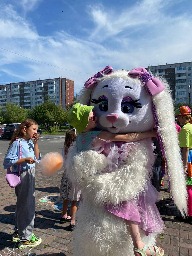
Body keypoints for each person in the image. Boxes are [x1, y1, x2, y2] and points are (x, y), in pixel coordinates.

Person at [67, 103, 164, 256]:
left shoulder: (80, 138)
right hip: (107, 183)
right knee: (129, 205)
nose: (96, 116)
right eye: (91, 116)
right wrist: (150, 134)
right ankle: (138, 245)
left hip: (93, 187)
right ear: (85, 121)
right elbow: (126, 137)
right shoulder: (98, 135)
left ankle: (138, 245)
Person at [3, 119, 42, 249]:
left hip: (30, 174)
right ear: (25, 129)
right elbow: (8, 161)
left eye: (37, 129)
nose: (36, 132)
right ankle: (25, 237)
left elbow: (37, 158)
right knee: (27, 206)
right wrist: (24, 159)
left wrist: (36, 143)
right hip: (24, 176)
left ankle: (19, 231)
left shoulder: (29, 142)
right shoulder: (18, 143)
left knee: (23, 204)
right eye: (34, 129)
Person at [60, 128, 81, 231]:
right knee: (74, 201)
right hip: (75, 176)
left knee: (66, 197)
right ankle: (73, 222)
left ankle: (64, 215)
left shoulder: (65, 147)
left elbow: (62, 161)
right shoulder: (77, 147)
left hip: (66, 175)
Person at [177, 106, 192, 220]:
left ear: (183, 117)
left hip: (189, 159)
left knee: (188, 187)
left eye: (179, 117)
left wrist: (184, 166)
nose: (178, 120)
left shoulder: (185, 129)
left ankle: (188, 214)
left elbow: (185, 149)